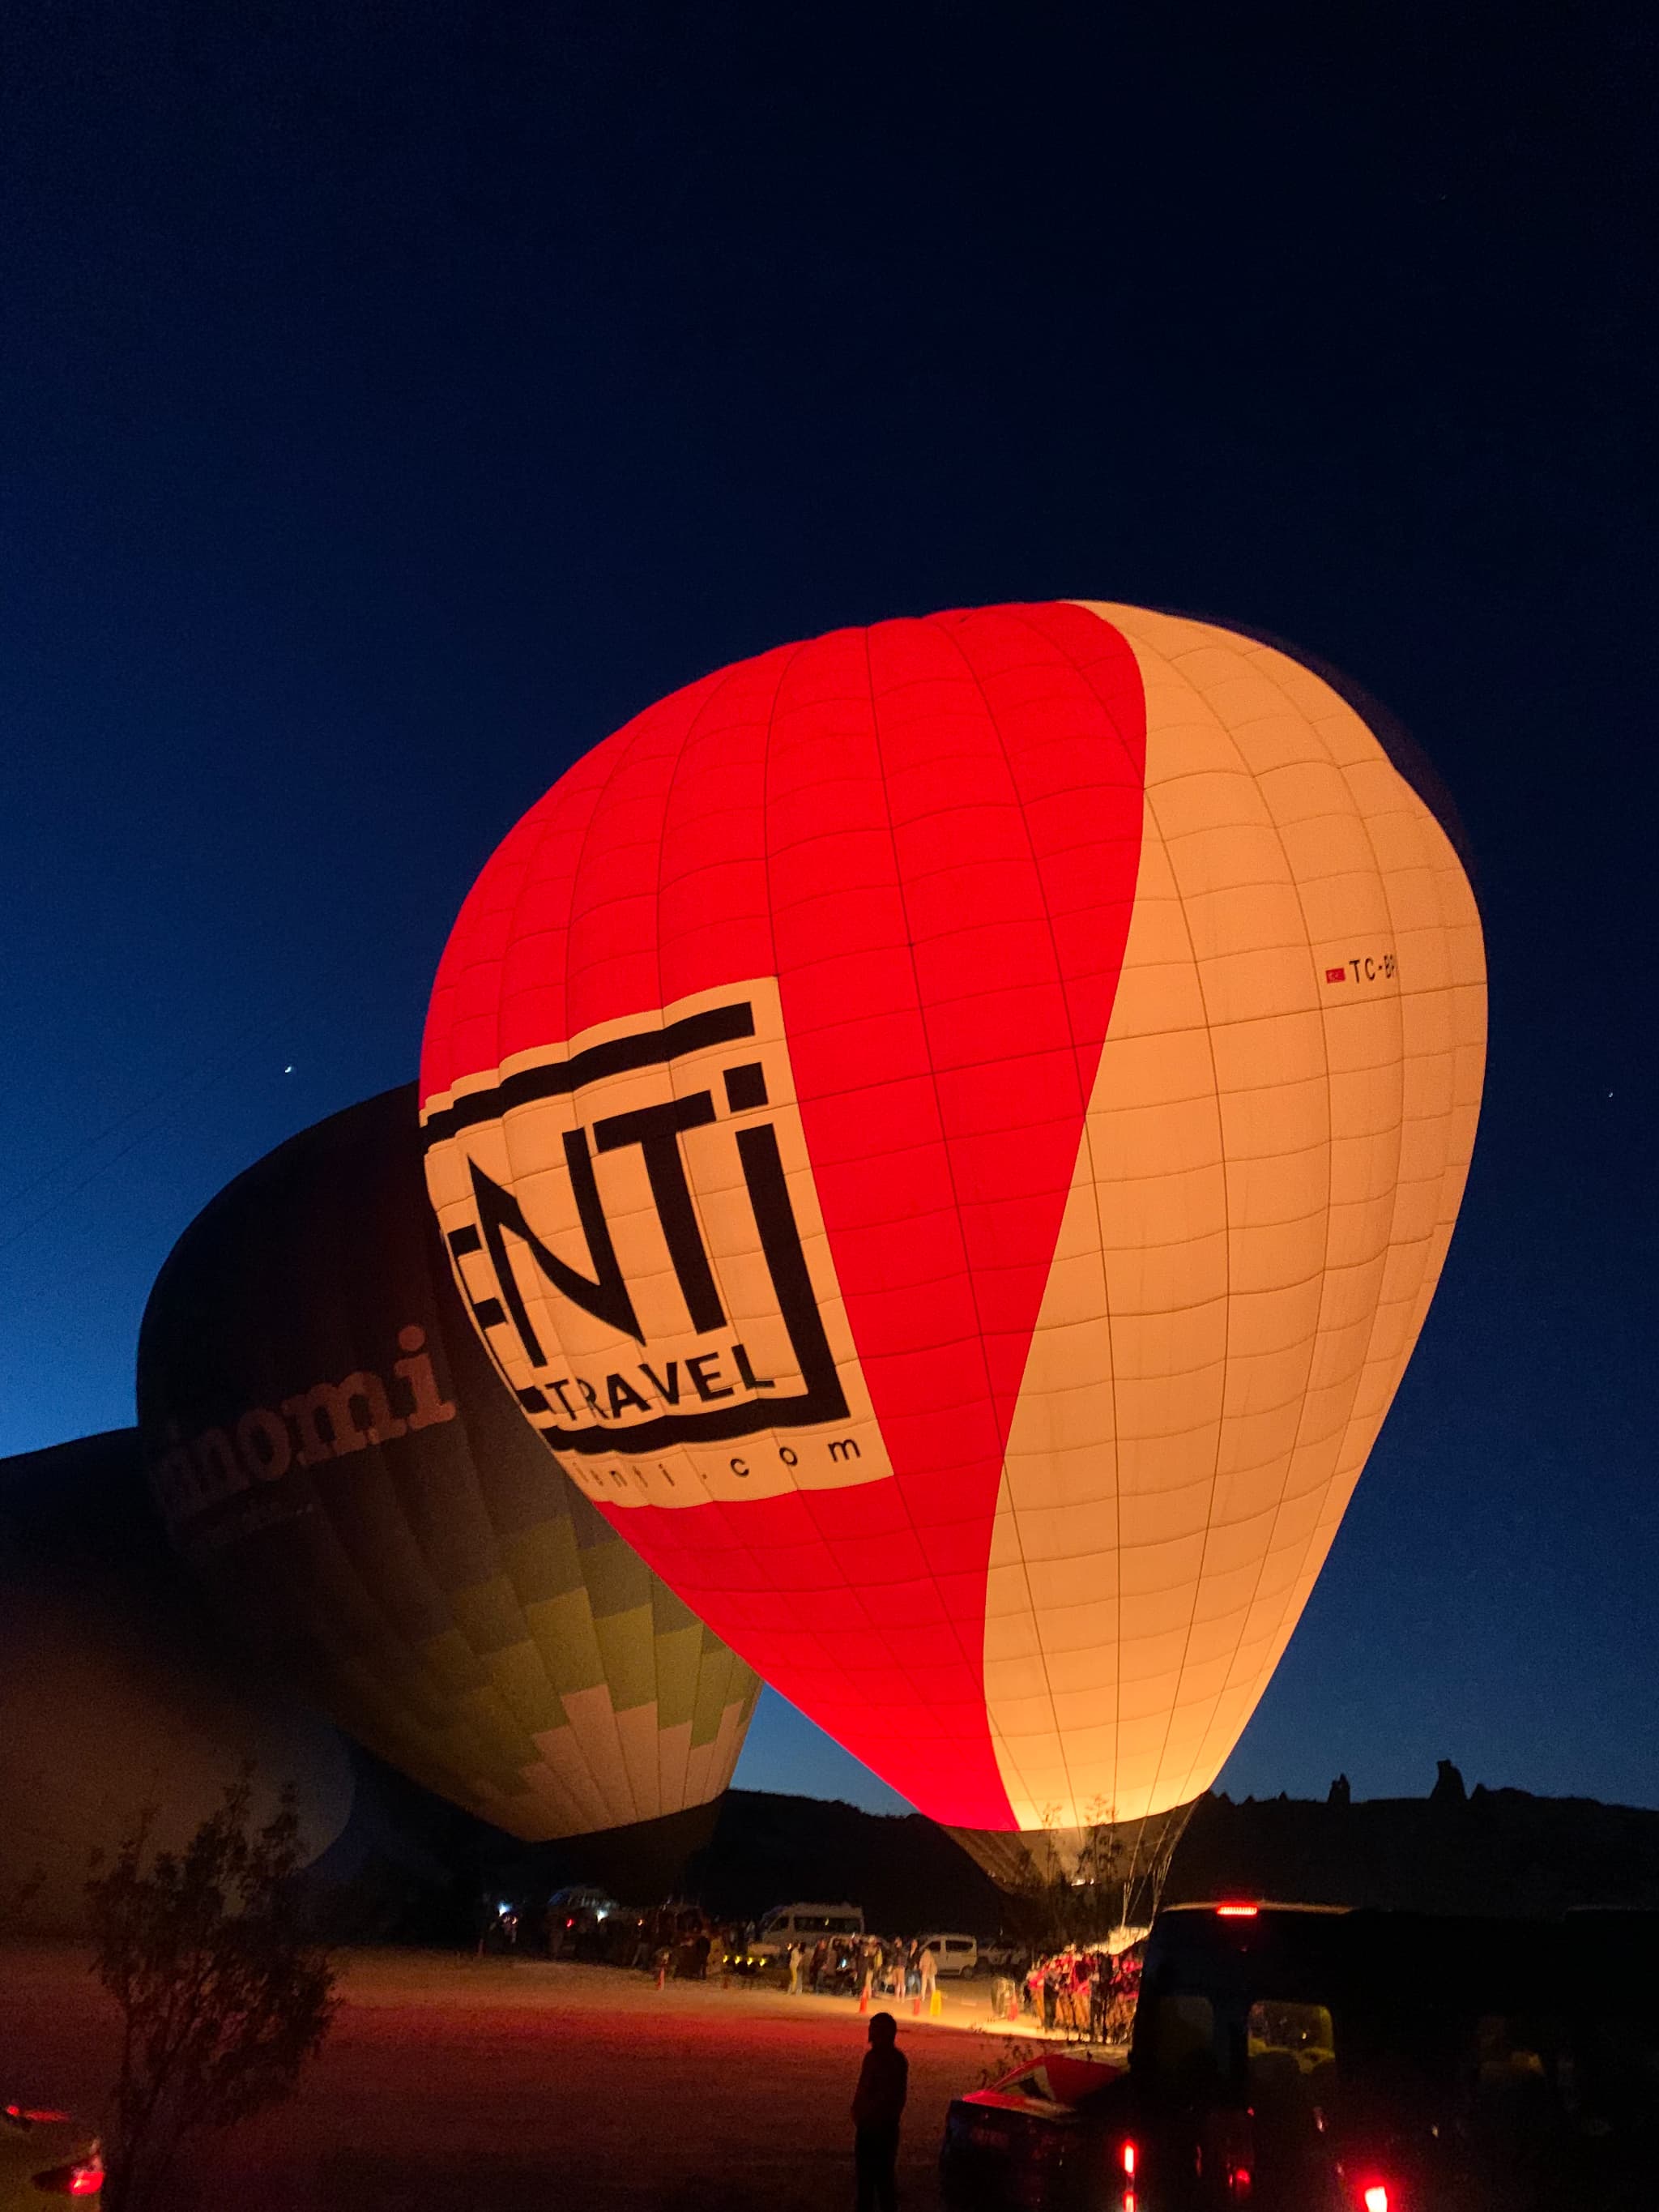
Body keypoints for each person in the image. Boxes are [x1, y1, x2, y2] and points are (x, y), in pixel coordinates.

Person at [851, 2011, 908, 2212]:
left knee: (873, 2182)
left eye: (873, 2029)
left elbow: (875, 2091)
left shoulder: (880, 2059)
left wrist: (863, 2113)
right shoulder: (896, 2059)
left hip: (877, 2127)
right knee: (881, 2182)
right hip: (882, 2126)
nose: (870, 2033)